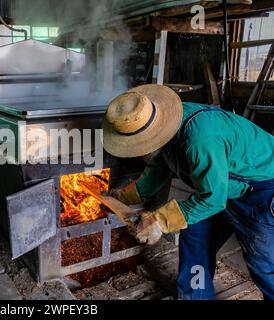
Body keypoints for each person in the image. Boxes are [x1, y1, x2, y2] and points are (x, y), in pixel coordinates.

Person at [102, 84, 274, 300]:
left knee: (264, 262)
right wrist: (124, 197)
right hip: (222, 186)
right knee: (194, 235)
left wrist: (160, 220)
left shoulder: (199, 139)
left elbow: (213, 199)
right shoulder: (165, 124)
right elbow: (160, 168)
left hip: (262, 188)